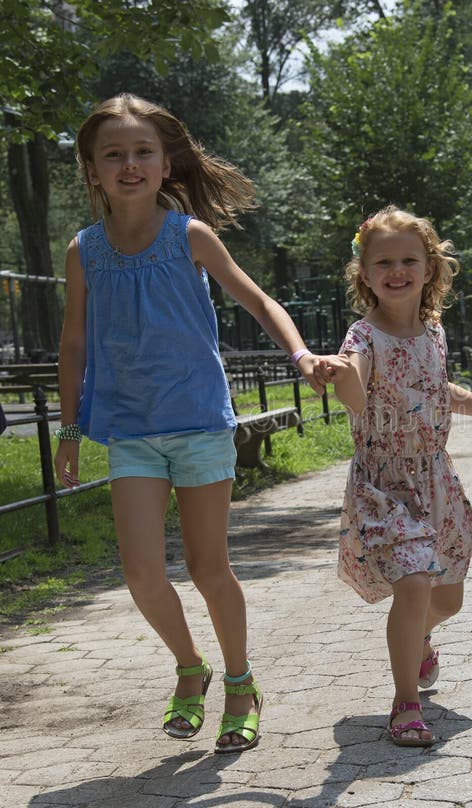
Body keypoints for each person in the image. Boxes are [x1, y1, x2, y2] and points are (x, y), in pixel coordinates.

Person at [54, 94, 329, 753]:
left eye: (143, 151)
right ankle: (189, 666)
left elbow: (258, 298)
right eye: (113, 155)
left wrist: (300, 354)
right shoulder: (84, 250)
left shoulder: (190, 236)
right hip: (131, 430)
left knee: (210, 569)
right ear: (92, 170)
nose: (129, 165)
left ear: (165, 160)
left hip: (200, 422)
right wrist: (68, 429)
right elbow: (72, 346)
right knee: (143, 574)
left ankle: (240, 683)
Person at [323, 206, 472, 745]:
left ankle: (419, 643)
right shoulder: (361, 339)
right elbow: (355, 392)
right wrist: (341, 375)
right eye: (383, 262)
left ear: (430, 267)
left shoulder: (434, 331)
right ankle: (405, 705)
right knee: (413, 585)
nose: (397, 270)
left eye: (408, 260)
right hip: (383, 487)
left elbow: (437, 393)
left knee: (446, 600)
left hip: (436, 482)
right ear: (363, 274)